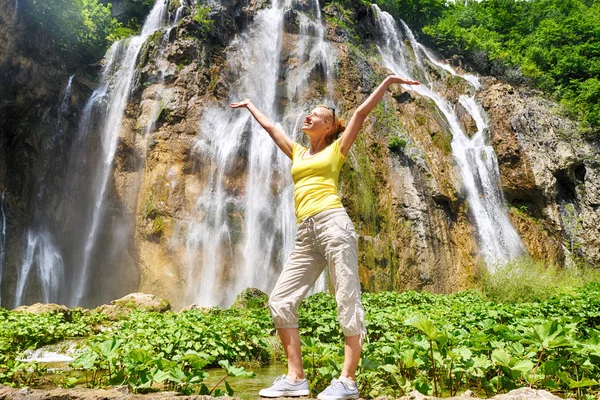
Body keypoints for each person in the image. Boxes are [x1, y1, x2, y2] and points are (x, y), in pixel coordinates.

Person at [230, 75, 419, 400]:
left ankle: (347, 380)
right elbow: (272, 128)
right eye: (309, 113)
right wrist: (250, 105)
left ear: (330, 127)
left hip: (334, 225)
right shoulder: (299, 154)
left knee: (346, 298)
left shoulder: (336, 150)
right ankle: (295, 377)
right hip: (306, 234)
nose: (309, 116)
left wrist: (387, 82)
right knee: (280, 300)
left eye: (317, 115)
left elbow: (359, 114)